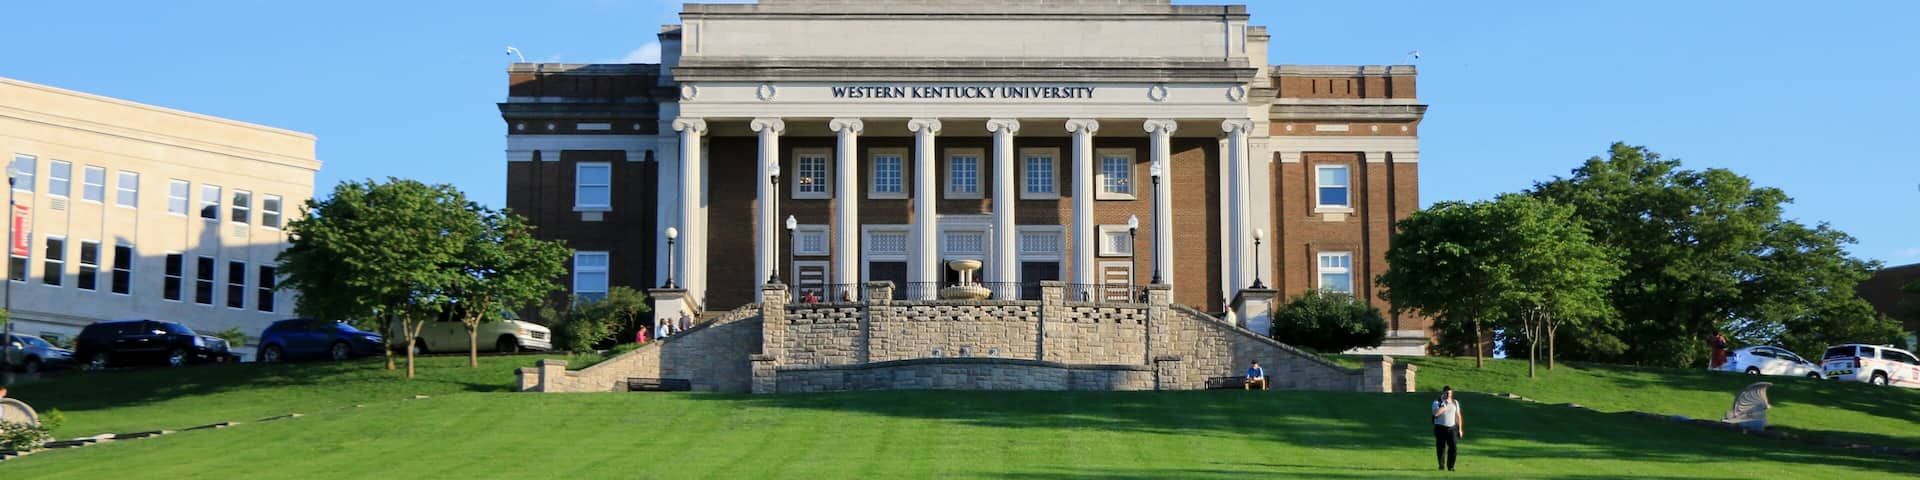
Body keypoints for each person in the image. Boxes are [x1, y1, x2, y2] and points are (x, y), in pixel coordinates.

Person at [1432, 386, 1464, 471]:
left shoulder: (1455, 402)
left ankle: (1451, 466)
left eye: (1450, 393)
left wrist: (1460, 429)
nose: (1448, 395)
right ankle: (1441, 465)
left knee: (1453, 447)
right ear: (1443, 393)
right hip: (1440, 427)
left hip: (1452, 428)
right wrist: (1444, 405)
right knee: (1441, 447)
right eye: (1446, 393)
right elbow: (1436, 414)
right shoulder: (1437, 402)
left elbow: (1458, 416)